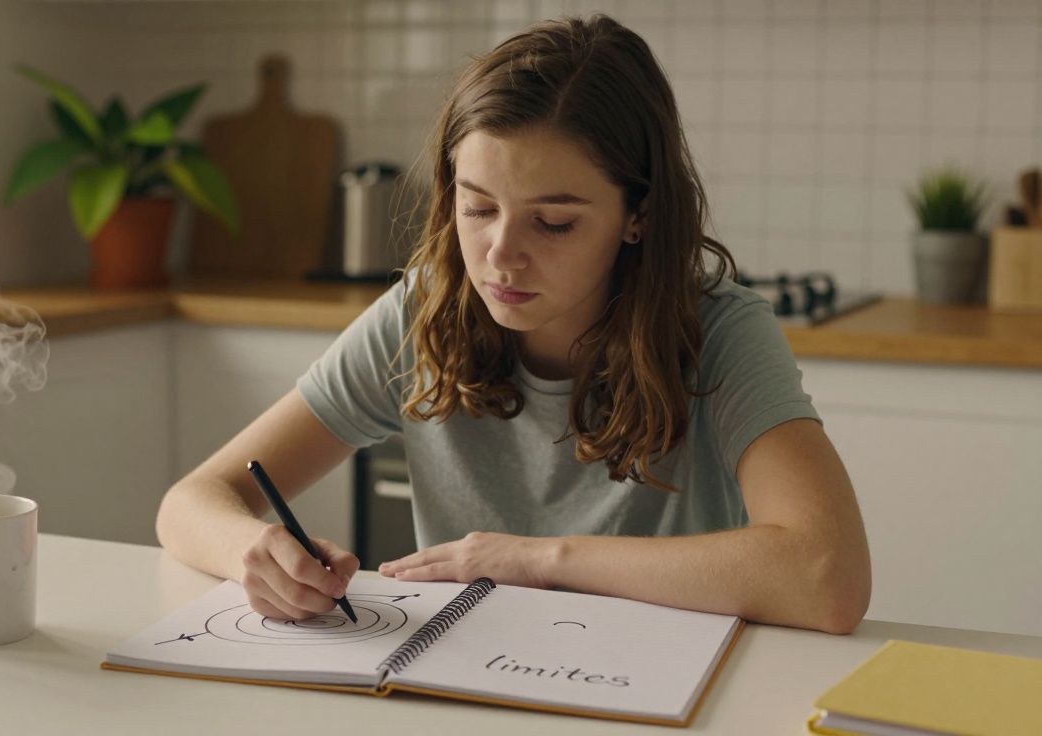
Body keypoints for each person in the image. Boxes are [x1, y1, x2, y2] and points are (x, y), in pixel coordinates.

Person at [157, 14, 871, 635]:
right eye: (476, 206)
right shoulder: (421, 312)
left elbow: (826, 576)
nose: (499, 255)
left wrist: (535, 559)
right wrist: (254, 553)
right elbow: (190, 504)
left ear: (638, 215)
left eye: (553, 221)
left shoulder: (717, 331)